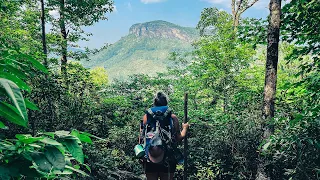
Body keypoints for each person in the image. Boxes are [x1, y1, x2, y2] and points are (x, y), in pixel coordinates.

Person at [139, 92, 189, 180]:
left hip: (150, 156)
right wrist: (185, 128)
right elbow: (178, 138)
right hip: (168, 157)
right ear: (166, 102)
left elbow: (142, 137)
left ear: (154, 103)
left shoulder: (146, 117)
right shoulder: (173, 118)